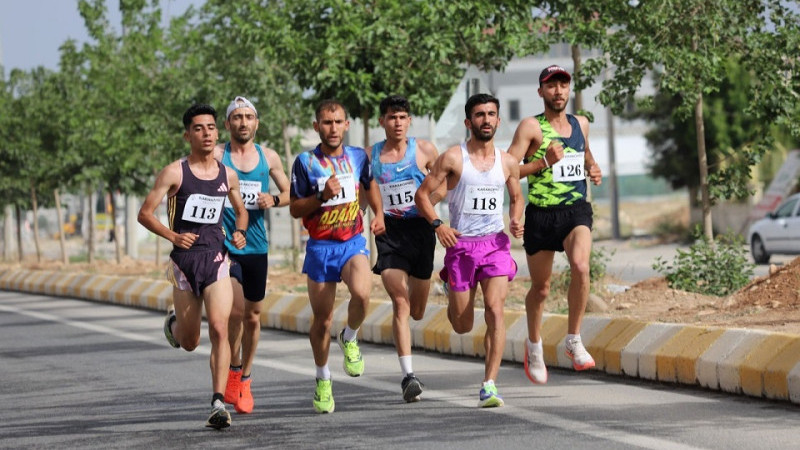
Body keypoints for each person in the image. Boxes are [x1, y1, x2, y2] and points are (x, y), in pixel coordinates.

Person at [137, 104, 248, 429]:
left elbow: (240, 211)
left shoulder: (227, 174)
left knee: (219, 327)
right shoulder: (174, 172)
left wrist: (239, 232)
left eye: (212, 127)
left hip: (216, 259)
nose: (207, 133)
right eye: (199, 128)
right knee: (190, 342)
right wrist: (173, 235)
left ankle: (217, 401)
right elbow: (145, 213)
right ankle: (174, 325)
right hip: (184, 264)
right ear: (188, 134)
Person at [415, 93, 524, 408]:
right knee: (463, 325)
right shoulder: (453, 158)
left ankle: (489, 384)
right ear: (469, 121)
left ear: (498, 120)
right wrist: (439, 226)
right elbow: (423, 196)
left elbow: (516, 196)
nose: (486, 120)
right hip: (461, 246)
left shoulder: (507, 162)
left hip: (495, 244)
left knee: (495, 310)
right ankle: (451, 284)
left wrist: (516, 220)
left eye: (491, 114)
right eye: (479, 114)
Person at [506, 65, 603, 385]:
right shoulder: (531, 126)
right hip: (542, 215)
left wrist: (593, 167)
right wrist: (543, 162)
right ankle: (534, 346)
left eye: (563, 85)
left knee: (580, 265)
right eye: (551, 86)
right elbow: (508, 168)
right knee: (542, 288)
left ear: (569, 90)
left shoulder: (581, 124)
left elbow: (585, 153)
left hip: (575, 210)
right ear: (540, 92)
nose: (558, 91)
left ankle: (573, 339)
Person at [289, 98, 386, 414]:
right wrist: (320, 196)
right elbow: (294, 208)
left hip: (352, 240)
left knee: (362, 293)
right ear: (317, 126)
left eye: (338, 122)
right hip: (320, 247)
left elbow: (369, 185)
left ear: (347, 125)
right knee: (322, 319)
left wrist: (378, 213)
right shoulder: (305, 162)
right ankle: (323, 378)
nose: (333, 128)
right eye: (326, 123)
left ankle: (351, 337)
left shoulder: (358, 156)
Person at [213, 96, 290, 414]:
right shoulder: (217, 156)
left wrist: (273, 199)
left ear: (257, 123)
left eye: (249, 117)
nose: (243, 122)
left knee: (253, 317)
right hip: (224, 245)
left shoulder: (268, 156)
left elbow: (290, 194)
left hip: (257, 246)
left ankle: (244, 378)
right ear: (228, 124)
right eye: (237, 117)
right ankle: (232, 370)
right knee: (235, 311)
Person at [367, 95, 444, 402]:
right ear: (381, 121)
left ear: (409, 120)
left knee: (417, 310)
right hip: (390, 234)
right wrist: (375, 215)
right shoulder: (371, 156)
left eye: (402, 117)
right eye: (391, 117)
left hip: (421, 230)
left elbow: (444, 181)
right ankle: (408, 376)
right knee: (400, 302)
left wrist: (428, 204)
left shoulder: (424, 150)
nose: (397, 122)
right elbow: (367, 190)